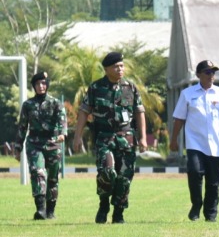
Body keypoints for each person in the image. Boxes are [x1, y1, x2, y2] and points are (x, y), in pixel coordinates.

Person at [73, 51, 147, 224]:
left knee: (124, 178)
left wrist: (143, 137)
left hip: (126, 139)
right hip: (104, 138)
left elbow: (139, 112)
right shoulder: (96, 88)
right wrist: (78, 137)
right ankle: (104, 203)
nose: (120, 69)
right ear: (106, 69)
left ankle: (118, 212)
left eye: (122, 65)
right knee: (107, 172)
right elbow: (84, 112)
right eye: (116, 66)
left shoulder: (131, 87)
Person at [169, 59, 219, 222]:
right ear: (198, 75)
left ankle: (211, 213)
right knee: (194, 173)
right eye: (207, 72)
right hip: (195, 143)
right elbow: (179, 119)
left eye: (213, 72)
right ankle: (196, 205)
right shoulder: (188, 94)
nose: (211, 75)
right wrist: (174, 140)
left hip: (217, 144)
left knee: (214, 181)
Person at [13, 71, 66, 220]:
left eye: (43, 83)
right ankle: (40, 209)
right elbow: (22, 127)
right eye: (37, 84)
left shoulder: (56, 103)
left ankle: (50, 210)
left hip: (53, 142)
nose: (41, 86)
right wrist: (18, 148)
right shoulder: (28, 105)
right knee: (38, 173)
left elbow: (62, 120)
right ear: (34, 86)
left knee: (53, 178)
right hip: (34, 143)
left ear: (47, 85)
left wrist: (62, 133)